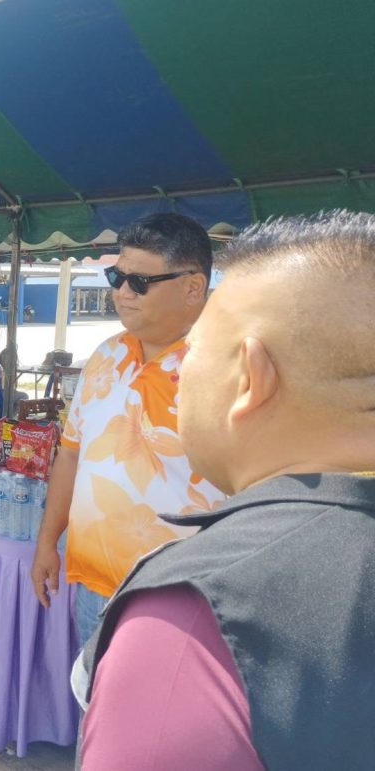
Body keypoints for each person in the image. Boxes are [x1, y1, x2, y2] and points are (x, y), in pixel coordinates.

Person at [74, 211, 375, 771]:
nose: (182, 374)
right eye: (117, 278)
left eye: (197, 351)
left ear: (251, 378)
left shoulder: (183, 617)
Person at [29, 212, 224, 648]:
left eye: (139, 282)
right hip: (94, 587)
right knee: (93, 692)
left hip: (183, 599)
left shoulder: (230, 368)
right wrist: (47, 542)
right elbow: (71, 454)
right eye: (116, 277)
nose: (121, 292)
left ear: (193, 287)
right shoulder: (105, 355)